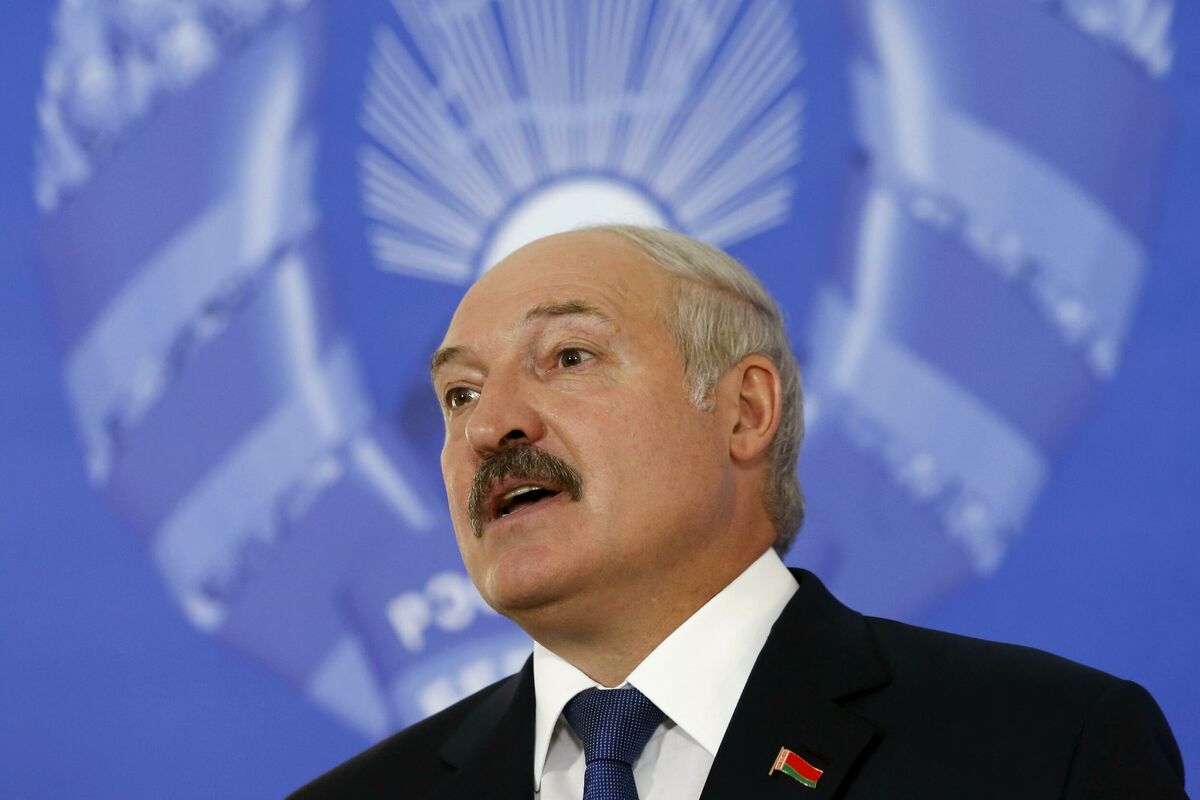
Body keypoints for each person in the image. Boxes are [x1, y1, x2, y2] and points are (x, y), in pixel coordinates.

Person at [290, 226, 1187, 799]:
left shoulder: (1041, 753)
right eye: (458, 395)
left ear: (745, 411)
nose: (490, 426)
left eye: (568, 356)